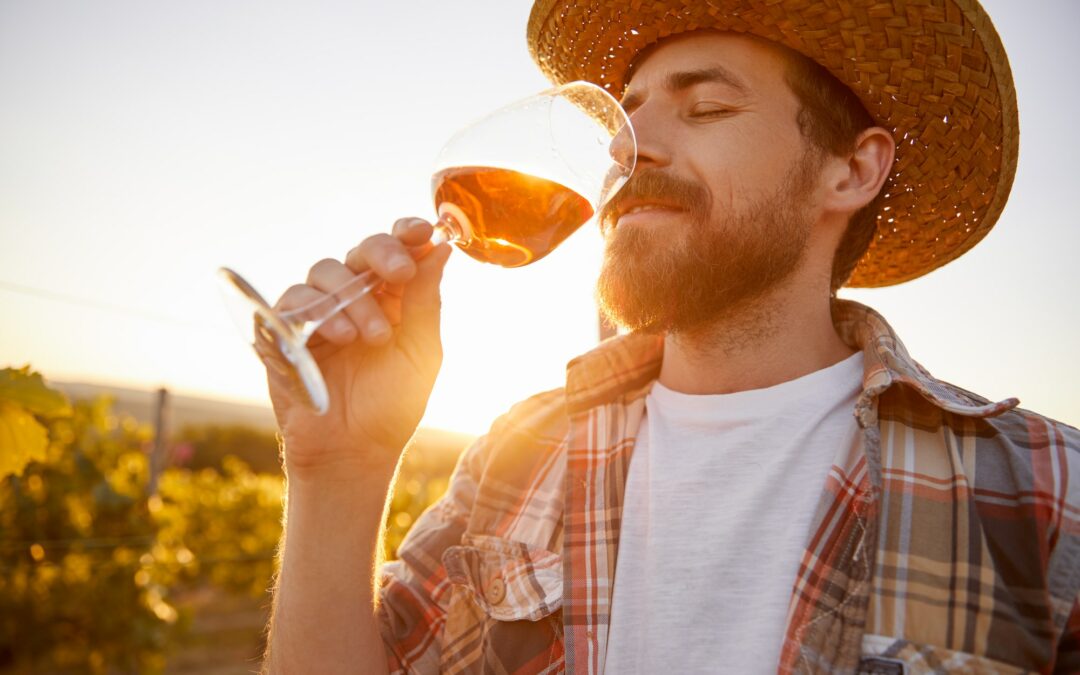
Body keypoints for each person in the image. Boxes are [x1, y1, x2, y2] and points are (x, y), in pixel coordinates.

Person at [259, 1, 1079, 673]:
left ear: (853, 170)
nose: (626, 147)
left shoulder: (1045, 494)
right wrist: (339, 473)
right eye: (626, 117)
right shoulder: (518, 453)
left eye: (707, 107)